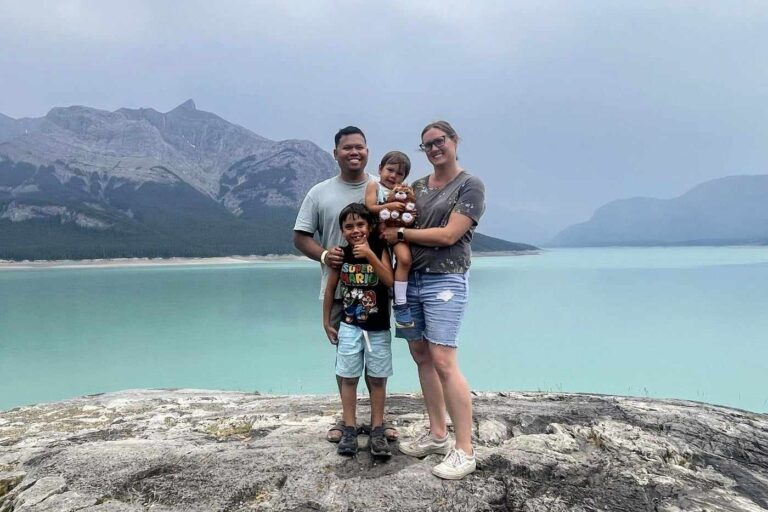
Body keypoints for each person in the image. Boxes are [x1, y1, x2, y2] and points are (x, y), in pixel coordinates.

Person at [381, 120, 485, 480]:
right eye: (427, 145)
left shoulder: (470, 185)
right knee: (421, 355)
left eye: (439, 141)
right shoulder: (417, 186)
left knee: (443, 359)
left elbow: (449, 235)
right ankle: (438, 435)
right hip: (409, 280)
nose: (434, 148)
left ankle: (465, 449)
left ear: (455, 140)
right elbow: (391, 214)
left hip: (446, 281)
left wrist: (402, 232)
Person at [293, 126, 398, 444]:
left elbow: (399, 225)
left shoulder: (381, 190)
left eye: (360, 147)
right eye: (347, 148)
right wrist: (325, 255)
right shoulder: (319, 192)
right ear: (335, 152)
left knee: (376, 349)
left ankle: (379, 421)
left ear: (368, 151)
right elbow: (300, 237)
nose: (354, 152)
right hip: (339, 287)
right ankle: (348, 419)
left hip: (377, 287)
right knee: (346, 354)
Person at [323, 203, 394, 456]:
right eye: (349, 226)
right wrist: (326, 322)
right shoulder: (340, 255)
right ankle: (350, 428)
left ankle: (377, 428)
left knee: (377, 378)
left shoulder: (380, 249)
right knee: (349, 377)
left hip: (377, 327)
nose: (355, 230)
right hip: (350, 326)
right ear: (342, 230)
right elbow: (332, 290)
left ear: (370, 227)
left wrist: (370, 255)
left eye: (361, 225)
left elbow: (389, 281)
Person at [364, 151, 414, 329]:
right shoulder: (374, 186)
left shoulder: (402, 191)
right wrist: (389, 206)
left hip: (396, 233)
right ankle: (390, 290)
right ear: (380, 169)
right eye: (389, 170)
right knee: (383, 272)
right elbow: (370, 207)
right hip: (376, 238)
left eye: (399, 173)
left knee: (405, 259)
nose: (393, 175)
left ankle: (400, 304)